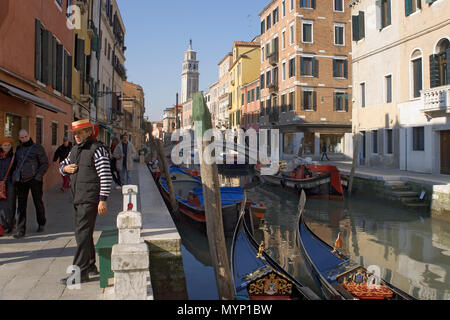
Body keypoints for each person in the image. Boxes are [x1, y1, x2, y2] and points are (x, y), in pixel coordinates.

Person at [59, 119, 112, 285]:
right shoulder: (74, 150)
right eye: (75, 134)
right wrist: (64, 169)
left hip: (89, 198)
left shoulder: (97, 150)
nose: (76, 136)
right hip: (78, 197)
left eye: (80, 133)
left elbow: (106, 176)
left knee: (82, 235)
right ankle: (90, 265)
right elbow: (62, 165)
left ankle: (78, 273)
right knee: (82, 234)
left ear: (89, 132)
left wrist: (102, 200)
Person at [13, 129, 49, 239]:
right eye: (22, 137)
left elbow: (44, 163)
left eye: (25, 136)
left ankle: (41, 222)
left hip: (34, 180)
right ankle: (21, 230)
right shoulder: (18, 149)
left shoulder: (37, 148)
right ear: (19, 138)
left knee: (38, 202)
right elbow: (15, 164)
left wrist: (38, 176)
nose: (24, 139)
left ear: (29, 135)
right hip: (21, 181)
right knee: (21, 206)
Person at [0, 138, 17, 235]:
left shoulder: (14, 157)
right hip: (0, 185)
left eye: (8, 145)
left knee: (10, 206)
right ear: (1, 146)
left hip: (10, 185)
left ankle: (10, 224)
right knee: (2, 206)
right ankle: (4, 225)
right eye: (4, 145)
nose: (6, 147)